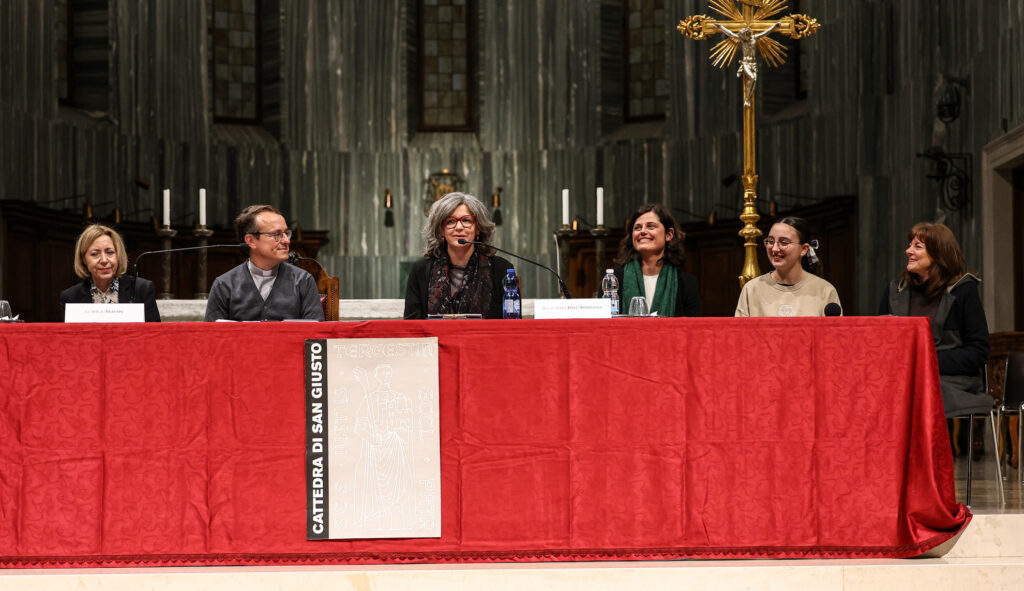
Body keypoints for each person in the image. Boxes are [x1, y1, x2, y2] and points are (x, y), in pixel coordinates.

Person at [878, 222, 991, 418]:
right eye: (910, 245)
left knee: (920, 394)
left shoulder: (963, 291)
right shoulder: (894, 292)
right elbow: (877, 343)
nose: (908, 251)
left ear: (939, 254)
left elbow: (978, 351)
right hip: (901, 379)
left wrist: (927, 362)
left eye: (917, 246)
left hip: (952, 382)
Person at [404, 192, 514, 319]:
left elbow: (512, 324)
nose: (459, 227)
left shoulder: (502, 269)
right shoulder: (420, 271)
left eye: (466, 220)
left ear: (478, 228)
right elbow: (412, 324)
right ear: (441, 230)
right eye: (450, 221)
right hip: (436, 339)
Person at [205, 205, 324, 321]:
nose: (286, 240)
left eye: (286, 233)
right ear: (251, 240)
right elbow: (211, 337)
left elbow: (315, 335)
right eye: (276, 234)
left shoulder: (303, 281)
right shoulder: (224, 285)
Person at [735, 216, 841, 317]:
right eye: (770, 241)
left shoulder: (825, 290)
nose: (775, 249)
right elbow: (739, 334)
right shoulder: (752, 289)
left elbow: (836, 334)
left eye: (784, 242)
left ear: (804, 249)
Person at [612, 204, 700, 317]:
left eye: (650, 226)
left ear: (669, 235)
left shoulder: (686, 283)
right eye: (637, 228)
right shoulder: (614, 280)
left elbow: (692, 330)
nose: (642, 231)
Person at [59, 224, 161, 322]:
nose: (104, 260)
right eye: (95, 254)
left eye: (110, 252)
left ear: (118, 255)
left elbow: (155, 336)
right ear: (83, 259)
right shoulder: (71, 297)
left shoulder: (142, 289)